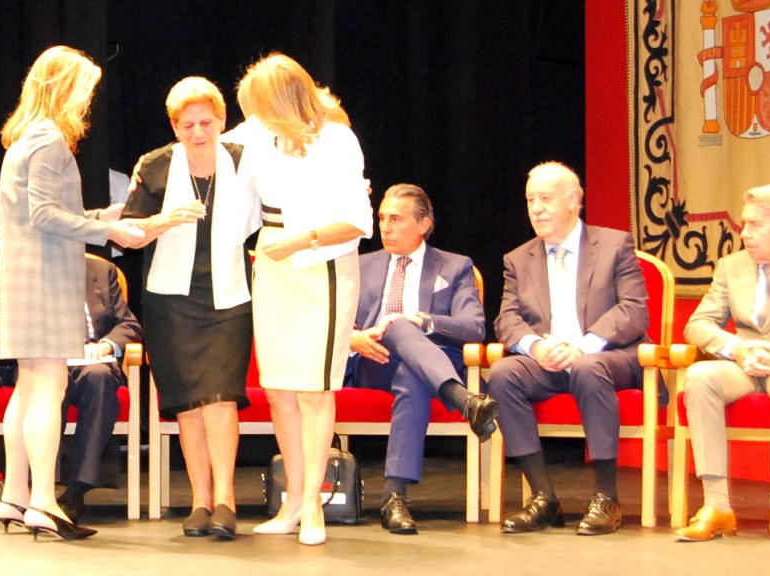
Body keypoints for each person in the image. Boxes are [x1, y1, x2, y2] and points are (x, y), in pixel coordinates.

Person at [0, 45, 145, 541]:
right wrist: (110, 234)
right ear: (63, 87)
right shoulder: (50, 139)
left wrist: (108, 218)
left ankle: (14, 497)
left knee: (29, 385)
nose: (88, 99)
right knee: (51, 386)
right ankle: (42, 502)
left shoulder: (24, 138)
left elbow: (48, 214)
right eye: (85, 89)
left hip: (25, 271)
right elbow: (43, 215)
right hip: (44, 275)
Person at [228, 53, 373, 546]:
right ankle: (292, 499)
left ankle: (314, 501)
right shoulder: (258, 134)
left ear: (283, 101)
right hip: (273, 267)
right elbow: (209, 156)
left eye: (259, 106)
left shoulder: (336, 139)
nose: (252, 116)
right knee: (279, 390)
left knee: (313, 389)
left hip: (322, 266)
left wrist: (301, 240)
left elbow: (357, 219)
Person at [119, 76, 256, 540]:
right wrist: (161, 221)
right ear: (174, 126)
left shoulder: (243, 162)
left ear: (222, 120)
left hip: (229, 299)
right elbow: (129, 234)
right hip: (170, 302)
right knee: (188, 406)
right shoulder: (155, 166)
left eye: (206, 122)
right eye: (187, 125)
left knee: (219, 400)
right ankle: (200, 500)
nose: (198, 133)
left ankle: (226, 500)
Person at [488, 161, 649, 536]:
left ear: (574, 200)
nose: (536, 208)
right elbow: (506, 320)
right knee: (502, 373)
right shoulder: (518, 258)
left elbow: (634, 311)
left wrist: (583, 345)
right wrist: (535, 346)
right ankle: (544, 498)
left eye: (545, 199)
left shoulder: (614, 245)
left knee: (587, 368)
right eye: (530, 200)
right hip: (547, 360)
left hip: (607, 356)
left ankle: (606, 497)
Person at [675, 184, 770, 542]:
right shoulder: (731, 266)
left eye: (755, 225)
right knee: (699, 376)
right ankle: (716, 506)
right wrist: (736, 348)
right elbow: (697, 324)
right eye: (745, 224)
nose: (745, 233)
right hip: (745, 364)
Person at [346, 183, 498, 534]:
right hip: (373, 362)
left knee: (409, 365)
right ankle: (463, 399)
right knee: (396, 331)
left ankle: (394, 496)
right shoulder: (360, 265)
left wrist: (424, 320)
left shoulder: (456, 266)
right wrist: (354, 338)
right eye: (382, 217)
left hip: (424, 369)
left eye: (396, 219)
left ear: (424, 224)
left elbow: (473, 327)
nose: (385, 226)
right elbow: (331, 319)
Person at [0, 257, 143, 523]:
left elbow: (128, 324)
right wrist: (29, 346)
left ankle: (76, 489)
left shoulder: (102, 270)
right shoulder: (15, 271)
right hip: (42, 357)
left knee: (100, 377)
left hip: (91, 359)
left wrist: (107, 345)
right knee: (46, 382)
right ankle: (35, 493)